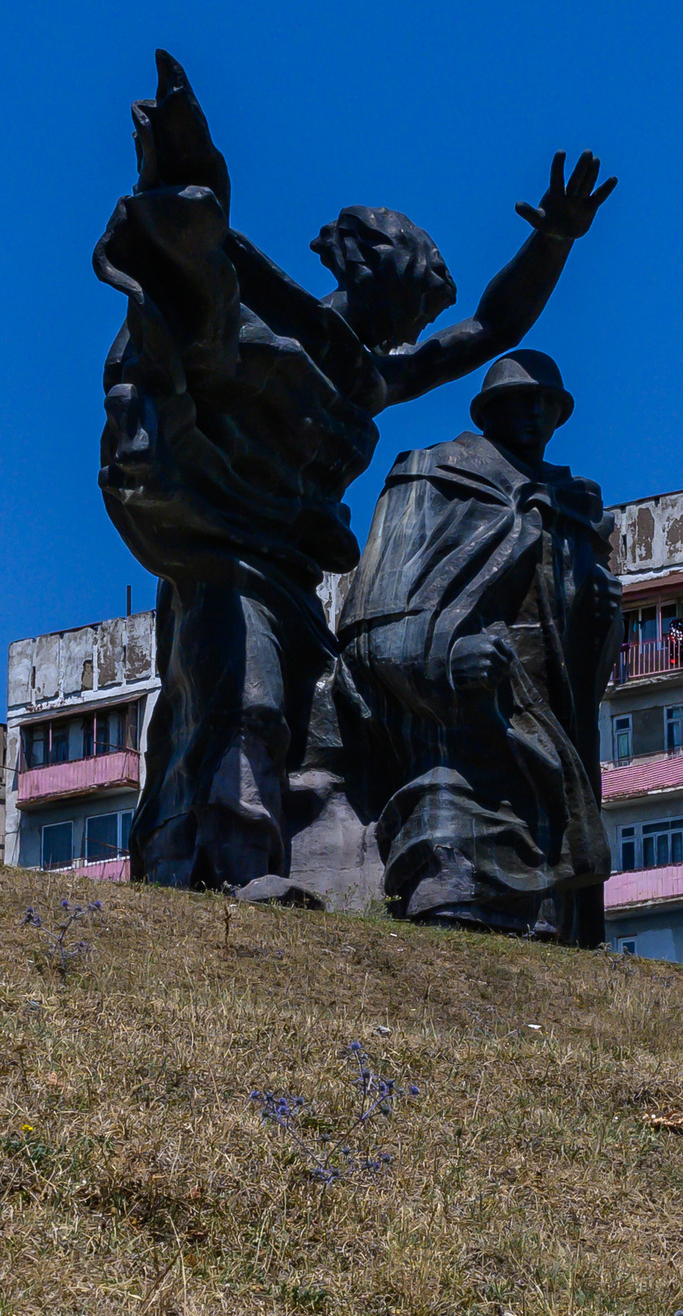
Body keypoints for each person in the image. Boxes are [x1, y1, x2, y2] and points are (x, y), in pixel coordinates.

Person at [92, 50, 613, 890]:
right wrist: (184, 174)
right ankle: (232, 867)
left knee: (327, 731)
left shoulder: (371, 377)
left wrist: (551, 239)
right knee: (249, 700)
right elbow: (191, 285)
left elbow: (491, 327)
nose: (416, 329)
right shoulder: (268, 327)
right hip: (222, 548)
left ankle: (315, 870)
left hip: (296, 575)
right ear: (372, 276)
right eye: (413, 307)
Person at [338, 351, 620, 941]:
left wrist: (602, 624)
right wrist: (445, 658)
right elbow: (367, 621)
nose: (535, 413)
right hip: (455, 744)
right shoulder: (434, 476)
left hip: (548, 750)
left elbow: (578, 660)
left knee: (548, 943)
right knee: (448, 878)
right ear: (489, 410)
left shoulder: (574, 505)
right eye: (521, 399)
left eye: (548, 403)